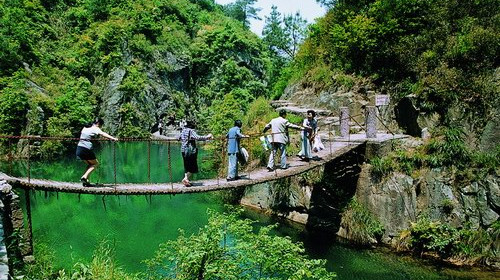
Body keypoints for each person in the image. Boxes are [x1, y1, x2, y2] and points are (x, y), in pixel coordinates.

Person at [76, 118, 118, 186]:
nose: (100, 127)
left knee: (90, 164)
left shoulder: (85, 127)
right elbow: (102, 133)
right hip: (86, 149)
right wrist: (113, 138)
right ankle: (84, 177)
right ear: (98, 123)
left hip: (79, 149)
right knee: (95, 164)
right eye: (101, 125)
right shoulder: (95, 128)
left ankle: (86, 181)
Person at [179, 120, 213, 187]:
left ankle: (187, 180)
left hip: (183, 150)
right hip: (189, 151)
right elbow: (197, 137)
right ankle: (185, 178)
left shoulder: (183, 130)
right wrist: (207, 137)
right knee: (193, 167)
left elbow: (178, 138)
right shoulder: (191, 131)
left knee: (186, 166)